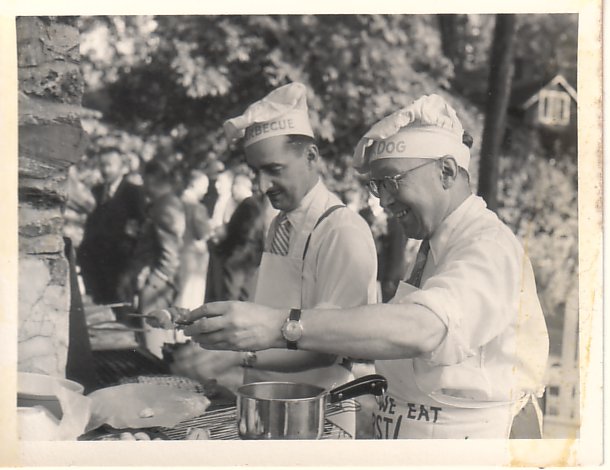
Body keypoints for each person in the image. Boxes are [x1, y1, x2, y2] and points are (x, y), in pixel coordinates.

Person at [181, 94, 550, 439]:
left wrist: (280, 326)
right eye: (376, 187)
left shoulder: (488, 245)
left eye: (391, 182)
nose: (385, 201)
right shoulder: (435, 245)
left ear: (448, 172)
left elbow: (424, 328)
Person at [153, 82, 378, 434]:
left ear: (311, 157)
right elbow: (270, 313)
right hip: (266, 405)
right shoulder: (278, 225)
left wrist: (237, 355)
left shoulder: (342, 232)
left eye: (274, 169)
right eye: (254, 172)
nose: (261, 186)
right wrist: (213, 329)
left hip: (319, 416)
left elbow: (331, 344)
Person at [119, 158, 186, 357]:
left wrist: (153, 284)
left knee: (154, 346)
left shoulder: (165, 207)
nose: (143, 187)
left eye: (145, 180)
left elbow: (170, 256)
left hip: (158, 288)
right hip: (154, 283)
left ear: (152, 179)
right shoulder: (162, 204)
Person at [77, 147, 146, 306]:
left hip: (120, 264)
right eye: (102, 165)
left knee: (120, 311)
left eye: (109, 165)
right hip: (95, 264)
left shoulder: (134, 193)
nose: (105, 170)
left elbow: (140, 229)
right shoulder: (96, 191)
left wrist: (131, 265)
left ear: (121, 167)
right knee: (100, 311)